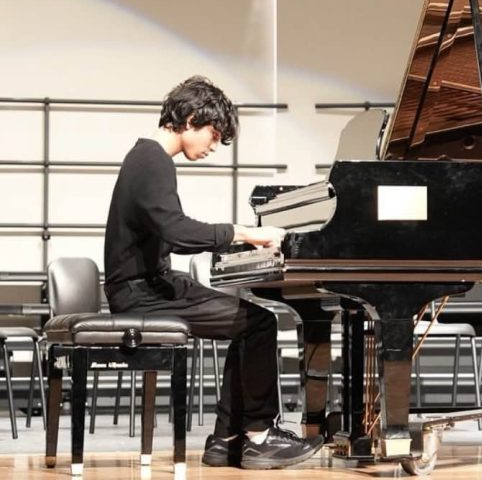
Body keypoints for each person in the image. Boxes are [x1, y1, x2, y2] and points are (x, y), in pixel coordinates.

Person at [104, 75, 323, 469]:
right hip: (141, 294)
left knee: (251, 322)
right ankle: (257, 437)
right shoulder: (152, 161)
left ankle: (227, 440)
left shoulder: (148, 158)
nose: (213, 146)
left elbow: (169, 232)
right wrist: (245, 234)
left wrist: (239, 243)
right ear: (189, 118)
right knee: (258, 323)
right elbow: (177, 230)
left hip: (151, 285)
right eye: (213, 133)